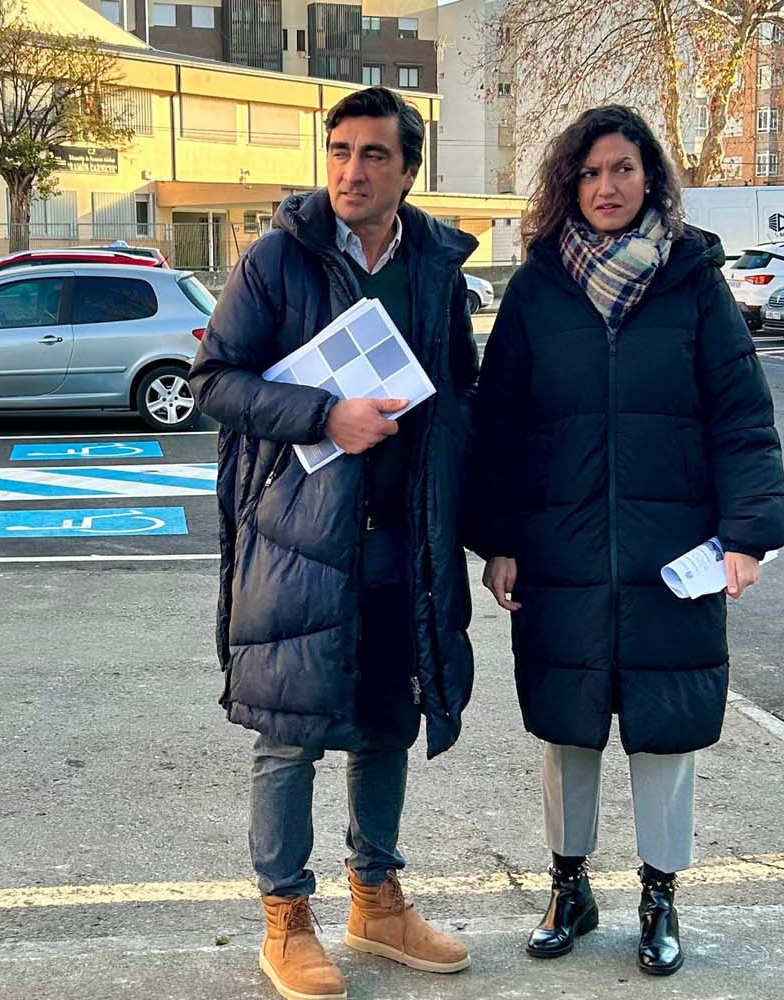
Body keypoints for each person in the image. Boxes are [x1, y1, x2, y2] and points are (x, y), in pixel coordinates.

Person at [467, 105, 784, 976]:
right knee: (566, 730)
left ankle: (660, 897)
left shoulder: (692, 283)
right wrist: (498, 539)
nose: (605, 188)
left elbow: (740, 417)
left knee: (664, 734)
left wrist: (748, 534)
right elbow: (499, 426)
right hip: (558, 549)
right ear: (568, 185)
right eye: (590, 173)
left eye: (621, 170)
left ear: (649, 178)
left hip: (669, 553)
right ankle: (567, 886)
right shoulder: (537, 288)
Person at [190, 86, 478, 1000]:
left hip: (404, 539)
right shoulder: (276, 259)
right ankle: (285, 918)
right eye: (341, 151)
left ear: (408, 168)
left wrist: (477, 524)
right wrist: (325, 413)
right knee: (287, 735)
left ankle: (377, 900)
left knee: (387, 721)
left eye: (374, 155)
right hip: (294, 534)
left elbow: (459, 397)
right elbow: (215, 382)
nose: (353, 171)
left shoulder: (435, 265)